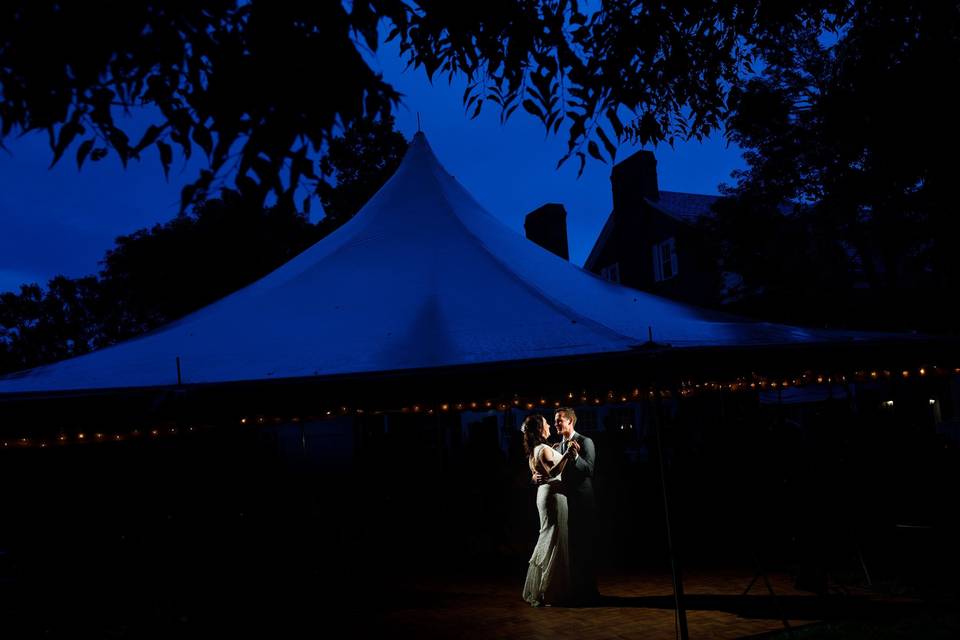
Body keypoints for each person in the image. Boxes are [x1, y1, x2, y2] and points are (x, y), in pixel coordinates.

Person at [534, 407, 598, 604]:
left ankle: (590, 592)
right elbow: (552, 471)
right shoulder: (557, 445)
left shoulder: (585, 441)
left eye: (559, 420)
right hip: (563, 502)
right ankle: (575, 590)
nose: (556, 423)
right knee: (570, 549)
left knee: (585, 547)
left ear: (570, 421)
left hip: (582, 501)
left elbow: (589, 470)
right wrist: (536, 477)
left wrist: (576, 457)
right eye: (554, 420)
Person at [521, 414, 576, 606]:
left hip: (544, 495)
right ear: (540, 430)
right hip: (553, 496)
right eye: (546, 424)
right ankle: (550, 590)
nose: (550, 427)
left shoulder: (535, 450)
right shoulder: (543, 449)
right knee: (554, 540)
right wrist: (567, 456)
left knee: (548, 537)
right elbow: (553, 472)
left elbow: (537, 474)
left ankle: (546, 588)